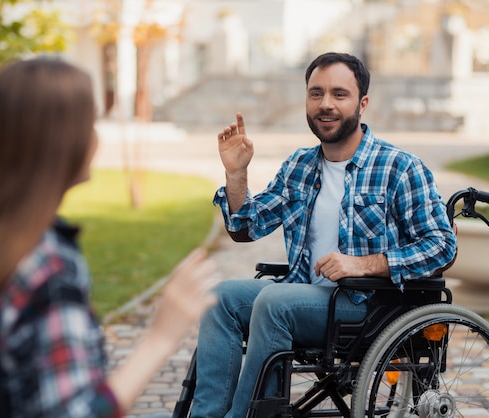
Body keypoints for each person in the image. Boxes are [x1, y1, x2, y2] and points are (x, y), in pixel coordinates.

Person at [0, 58, 217, 417]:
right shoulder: (49, 267)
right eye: (91, 123)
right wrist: (160, 337)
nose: (96, 137)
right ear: (64, 140)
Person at [190, 52, 457, 417]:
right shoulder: (300, 165)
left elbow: (442, 245)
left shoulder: (399, 167)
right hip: (309, 296)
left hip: (369, 306)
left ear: (362, 103)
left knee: (274, 302)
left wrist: (365, 264)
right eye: (316, 93)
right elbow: (246, 227)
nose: (326, 104)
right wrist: (236, 175)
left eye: (339, 94)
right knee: (219, 297)